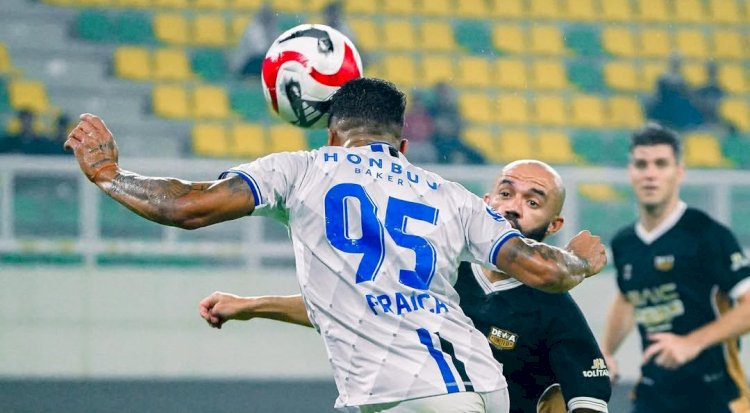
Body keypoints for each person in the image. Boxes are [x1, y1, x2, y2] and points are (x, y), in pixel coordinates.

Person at [64, 78, 606, 412]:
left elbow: (187, 206)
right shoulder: (452, 196)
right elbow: (545, 270)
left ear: (331, 136)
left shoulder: (302, 169)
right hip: (483, 387)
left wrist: (111, 175)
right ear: (402, 144)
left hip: (401, 396)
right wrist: (580, 260)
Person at [200, 160, 611, 413]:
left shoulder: (555, 309)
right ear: (486, 201)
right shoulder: (444, 269)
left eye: (532, 202)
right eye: (506, 193)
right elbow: (355, 306)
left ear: (554, 225)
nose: (512, 207)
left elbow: (588, 398)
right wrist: (250, 306)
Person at [601, 123, 750, 413]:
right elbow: (628, 298)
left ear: (679, 172)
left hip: (716, 394)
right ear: (631, 172)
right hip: (653, 392)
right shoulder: (624, 242)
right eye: (641, 164)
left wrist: (690, 343)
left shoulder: (706, 234)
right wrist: (605, 352)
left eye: (661, 164)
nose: (650, 174)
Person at [429, 82, 485, 165]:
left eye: (446, 92)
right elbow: (435, 129)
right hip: (438, 142)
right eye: (442, 93)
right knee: (445, 158)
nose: (444, 95)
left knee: (479, 158)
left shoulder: (453, 108)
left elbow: (458, 126)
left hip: (453, 141)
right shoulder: (432, 109)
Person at [231, 4, 280, 78]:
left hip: (258, 62)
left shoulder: (271, 29)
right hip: (246, 63)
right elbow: (260, 50)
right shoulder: (253, 29)